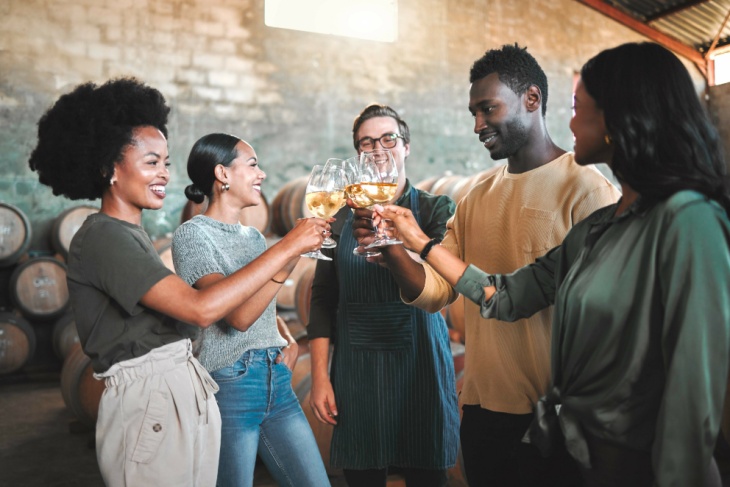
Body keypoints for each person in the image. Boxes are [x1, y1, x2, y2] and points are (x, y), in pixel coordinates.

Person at [377, 42, 730, 487]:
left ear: (624, 117)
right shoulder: (604, 226)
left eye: (579, 107)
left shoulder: (687, 220)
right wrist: (413, 246)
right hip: (570, 442)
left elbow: (693, 392)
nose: (570, 120)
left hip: (634, 460)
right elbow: (502, 298)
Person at [27, 78, 329, 487]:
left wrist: (278, 335)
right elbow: (201, 309)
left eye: (166, 162)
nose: (165, 175)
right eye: (151, 162)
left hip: (180, 391)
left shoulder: (130, 236)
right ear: (107, 167)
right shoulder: (104, 236)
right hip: (152, 399)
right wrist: (288, 247)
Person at [354, 44, 621, 486]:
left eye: (488, 108)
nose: (478, 124)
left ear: (531, 99)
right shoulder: (476, 194)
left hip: (554, 415)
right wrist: (393, 252)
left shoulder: (588, 191)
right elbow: (437, 289)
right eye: (473, 112)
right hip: (482, 410)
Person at [307, 104, 460, 487]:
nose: (378, 149)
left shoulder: (435, 208)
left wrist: (390, 248)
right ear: (357, 155)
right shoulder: (342, 214)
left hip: (419, 359)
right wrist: (320, 377)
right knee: (362, 474)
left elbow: (437, 284)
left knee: (428, 475)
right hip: (357, 366)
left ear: (405, 146)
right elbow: (323, 298)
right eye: (366, 142)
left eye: (388, 138)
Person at [171, 133, 331, 487]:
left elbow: (263, 304)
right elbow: (238, 317)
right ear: (222, 174)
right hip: (232, 384)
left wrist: (286, 337)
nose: (262, 174)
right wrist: (289, 247)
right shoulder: (193, 236)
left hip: (276, 379)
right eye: (253, 165)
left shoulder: (254, 238)